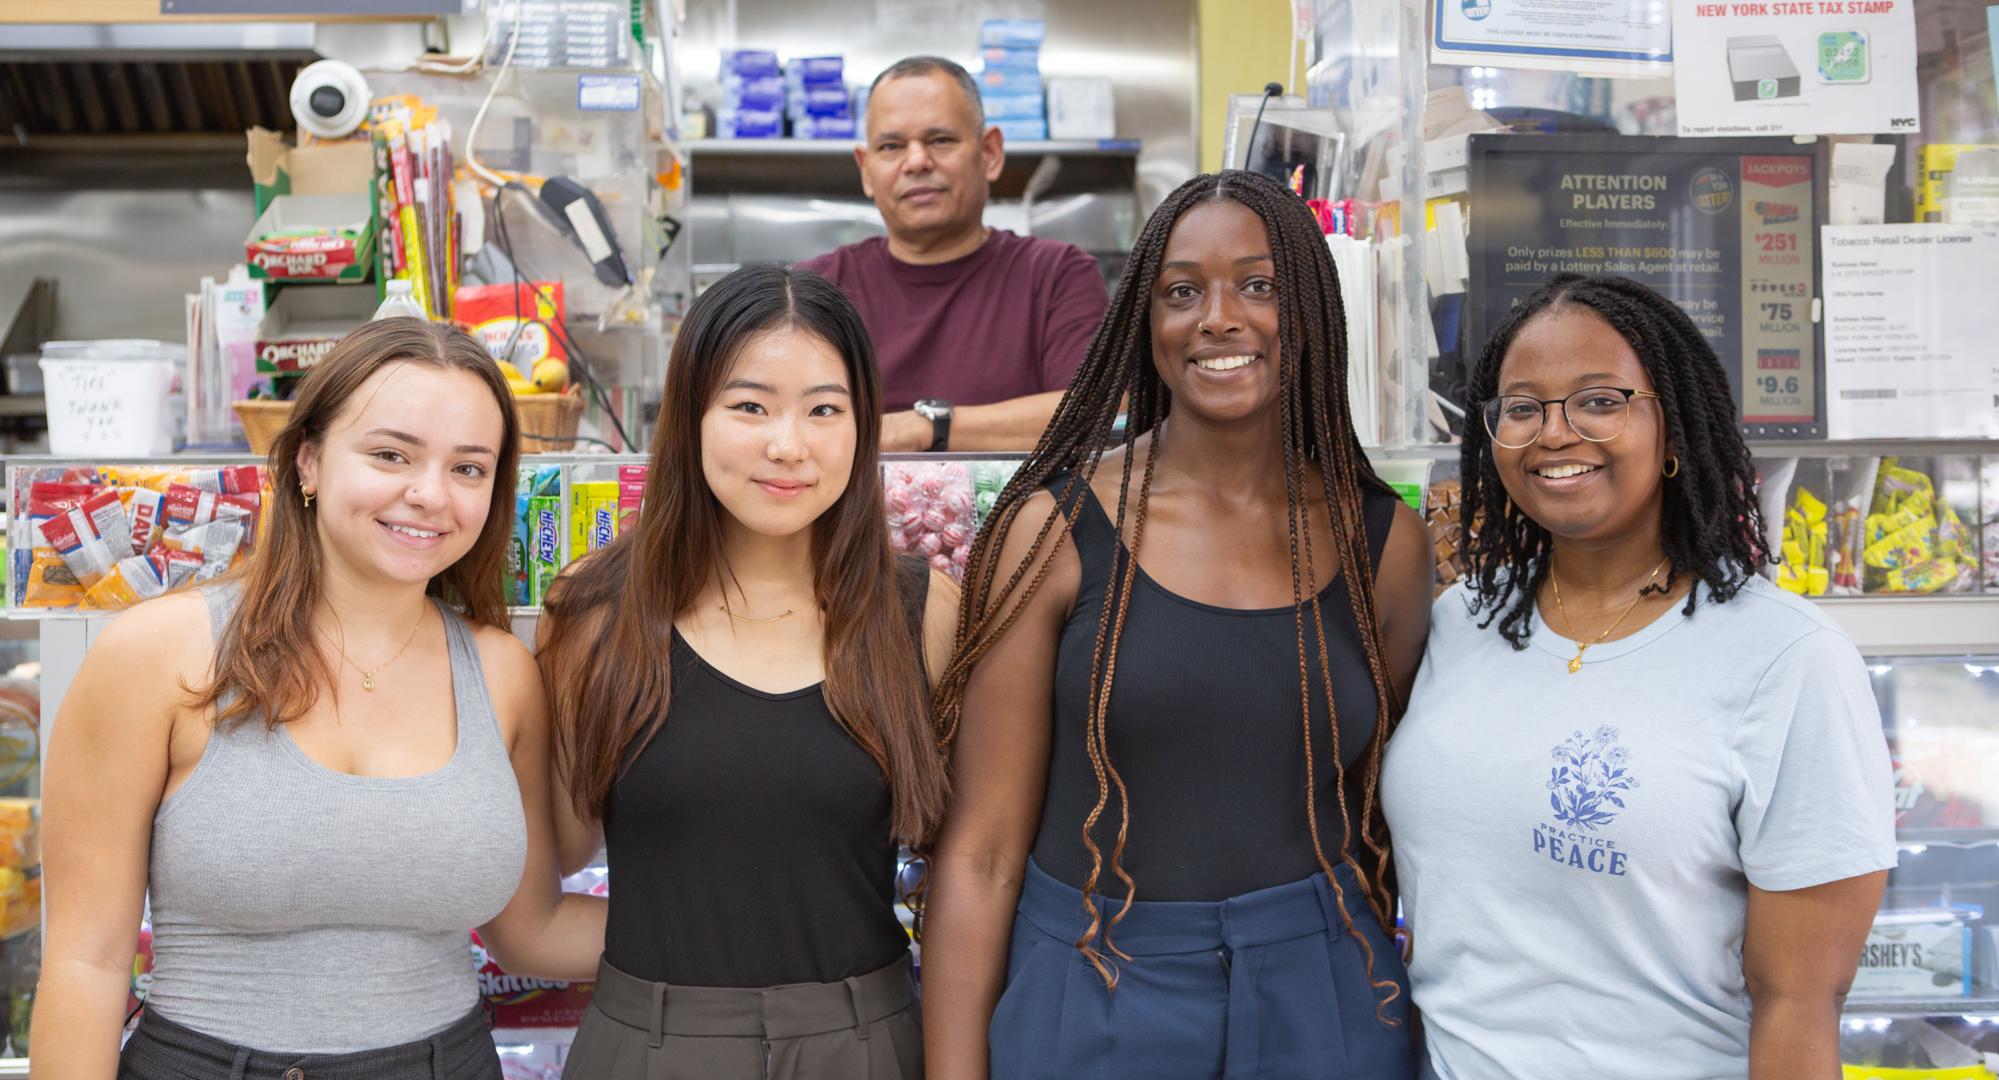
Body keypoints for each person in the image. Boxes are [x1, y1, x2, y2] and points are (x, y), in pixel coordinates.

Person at [918, 170, 1434, 1080]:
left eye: (1260, 285)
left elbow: (1382, 801)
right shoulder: (1052, 532)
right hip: (1094, 982)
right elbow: (984, 852)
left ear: (1312, 309)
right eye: (1182, 291)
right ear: (1142, 326)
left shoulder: (1381, 542)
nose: (1218, 318)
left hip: (1326, 988)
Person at [35, 319, 604, 1078]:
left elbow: (530, 932)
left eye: (469, 469)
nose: (429, 494)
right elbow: (86, 961)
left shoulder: (502, 674)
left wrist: (787, 927)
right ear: (307, 461)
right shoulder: (159, 655)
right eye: (390, 455)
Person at [1381, 274, 1896, 1079]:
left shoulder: (1784, 658)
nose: (1554, 433)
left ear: (1674, 429)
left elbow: (1798, 1002)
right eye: (1521, 408)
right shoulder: (1461, 621)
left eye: (1598, 400)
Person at [537, 264, 959, 1080]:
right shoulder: (593, 613)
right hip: (646, 1041)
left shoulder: (922, 610)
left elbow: (967, 869)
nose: (787, 445)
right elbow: (546, 877)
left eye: (824, 410)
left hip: (866, 1041)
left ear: (863, 423)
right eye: (749, 405)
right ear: (689, 416)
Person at [799, 56, 1110, 454]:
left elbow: (1097, 414)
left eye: (940, 140)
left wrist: (923, 426)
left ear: (990, 153)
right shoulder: (817, 291)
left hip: (1022, 516)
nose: (916, 162)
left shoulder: (1057, 275)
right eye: (891, 146)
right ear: (866, 170)